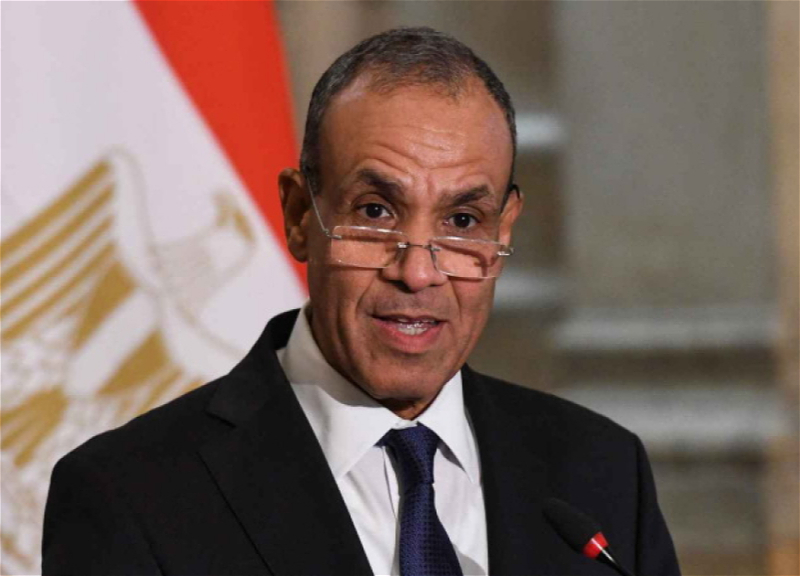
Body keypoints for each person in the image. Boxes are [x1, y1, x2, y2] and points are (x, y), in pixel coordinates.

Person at [42, 27, 680, 576]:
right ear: (300, 214)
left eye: (462, 221)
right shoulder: (132, 495)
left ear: (503, 231)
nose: (418, 273)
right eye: (376, 212)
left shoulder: (601, 471)